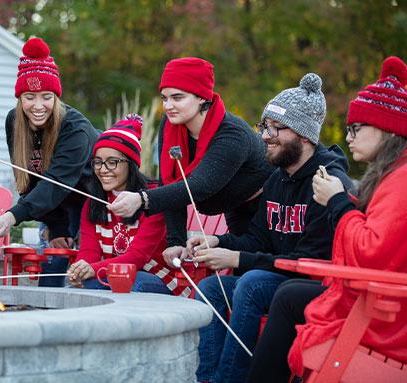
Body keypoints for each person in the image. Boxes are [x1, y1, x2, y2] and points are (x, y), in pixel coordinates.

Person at [248, 56, 407, 383]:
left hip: (385, 316)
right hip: (377, 301)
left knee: (286, 295)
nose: (348, 137)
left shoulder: (401, 181)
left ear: (387, 129)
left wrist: (337, 202)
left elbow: (371, 253)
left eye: (356, 128)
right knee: (287, 291)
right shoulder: (392, 176)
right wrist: (344, 203)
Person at [187, 73, 355, 383]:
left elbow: (310, 261)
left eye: (277, 128)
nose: (266, 136)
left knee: (250, 282)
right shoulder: (276, 180)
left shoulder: (327, 181)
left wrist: (237, 260)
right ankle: (207, 378)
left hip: (312, 285)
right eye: (265, 127)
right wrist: (217, 240)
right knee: (211, 288)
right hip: (274, 277)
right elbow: (257, 238)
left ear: (304, 135)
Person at [109, 57, 273, 269]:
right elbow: (171, 179)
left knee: (256, 274)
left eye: (177, 97)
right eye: (164, 98)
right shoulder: (171, 125)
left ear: (202, 98)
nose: (168, 106)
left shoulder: (233, 134)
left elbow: (199, 185)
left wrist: (142, 199)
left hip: (266, 207)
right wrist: (175, 241)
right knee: (239, 277)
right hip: (235, 208)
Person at [0, 37, 98, 287]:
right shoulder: (14, 121)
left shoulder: (74, 129)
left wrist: (12, 216)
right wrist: (56, 227)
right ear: (20, 98)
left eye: (46, 96)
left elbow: (56, 182)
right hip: (51, 200)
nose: (38, 106)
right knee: (51, 263)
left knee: (83, 273)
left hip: (92, 199)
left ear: (56, 96)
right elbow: (28, 178)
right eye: (29, 96)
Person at [68, 114, 189, 296]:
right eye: (98, 162)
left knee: (131, 283)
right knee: (81, 287)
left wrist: (94, 269)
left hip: (157, 276)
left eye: (112, 162)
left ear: (131, 164)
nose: (103, 169)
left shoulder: (153, 199)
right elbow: (89, 252)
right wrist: (81, 269)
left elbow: (137, 258)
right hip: (110, 275)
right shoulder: (94, 203)